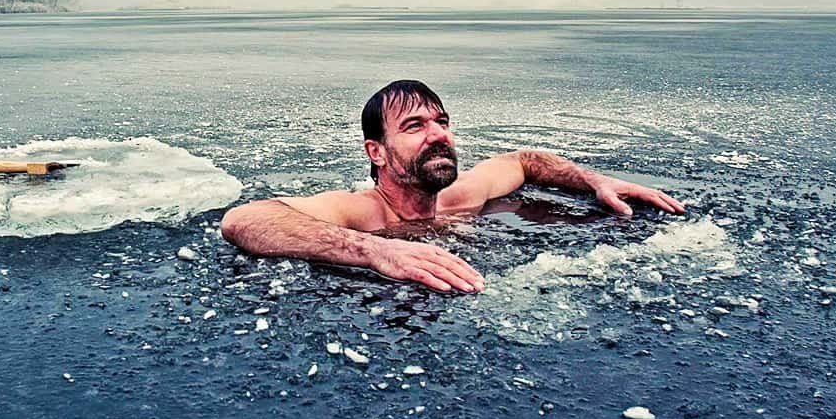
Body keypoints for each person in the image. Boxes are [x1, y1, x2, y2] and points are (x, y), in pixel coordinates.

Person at [219, 79, 686, 293]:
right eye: (415, 125)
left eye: (442, 122)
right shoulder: (362, 213)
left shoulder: (462, 196)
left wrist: (596, 181)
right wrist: (375, 251)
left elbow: (524, 161)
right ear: (376, 153)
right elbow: (244, 219)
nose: (439, 134)